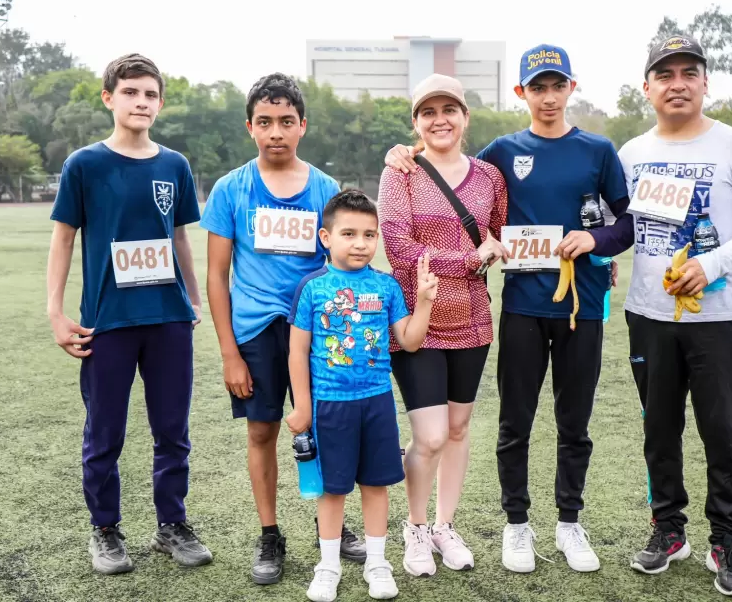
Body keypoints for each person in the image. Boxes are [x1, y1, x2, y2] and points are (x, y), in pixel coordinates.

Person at [385, 45, 632, 574]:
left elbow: (624, 223)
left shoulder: (598, 150)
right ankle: (516, 526)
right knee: (513, 423)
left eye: (556, 85)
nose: (547, 96)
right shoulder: (501, 153)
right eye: (536, 87)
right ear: (520, 92)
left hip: (581, 306)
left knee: (575, 422)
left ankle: (569, 523)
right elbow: (458, 193)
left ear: (571, 87)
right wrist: (399, 152)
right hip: (519, 307)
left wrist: (595, 243)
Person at [618, 36, 732, 597]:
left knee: (723, 434)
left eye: (689, 72)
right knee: (658, 430)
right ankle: (668, 530)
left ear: (705, 82)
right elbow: (613, 226)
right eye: (665, 74)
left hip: (719, 320)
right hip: (649, 316)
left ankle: (726, 539)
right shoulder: (630, 154)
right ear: (647, 88)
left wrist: (713, 264)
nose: (678, 82)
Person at [46, 53, 212, 575]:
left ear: (160, 103)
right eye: (131, 92)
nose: (142, 102)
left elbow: (180, 235)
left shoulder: (174, 165)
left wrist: (194, 297)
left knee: (172, 429)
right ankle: (105, 530)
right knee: (105, 433)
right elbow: (64, 237)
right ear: (109, 97)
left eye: (150, 95)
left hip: (166, 318)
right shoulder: (85, 164)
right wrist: (55, 311)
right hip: (107, 322)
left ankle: (172, 525)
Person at [199, 73, 365, 585]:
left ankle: (329, 525)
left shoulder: (324, 189)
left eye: (286, 122)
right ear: (250, 126)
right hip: (255, 330)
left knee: (323, 427)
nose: (276, 132)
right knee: (262, 429)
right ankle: (270, 533)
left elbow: (339, 263)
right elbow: (216, 275)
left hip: (315, 331)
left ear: (302, 126)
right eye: (265, 122)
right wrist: (229, 351)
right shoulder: (231, 188)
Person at [377, 73, 509, 577]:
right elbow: (401, 250)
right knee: (428, 436)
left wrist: (492, 250)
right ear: (416, 122)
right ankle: (413, 528)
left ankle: (444, 526)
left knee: (456, 430)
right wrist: (469, 259)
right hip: (417, 319)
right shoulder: (402, 172)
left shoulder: (490, 177)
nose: (440, 120)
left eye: (449, 110)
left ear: (464, 117)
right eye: (428, 112)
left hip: (473, 320)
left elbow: (499, 234)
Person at [286, 189, 438, 602]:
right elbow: (297, 350)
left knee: (375, 485)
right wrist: (301, 406)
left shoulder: (386, 286)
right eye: (349, 233)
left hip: (376, 402)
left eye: (369, 235)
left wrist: (423, 302)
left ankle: (377, 562)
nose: (360, 243)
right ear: (326, 237)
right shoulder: (312, 287)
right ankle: (328, 566)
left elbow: (408, 340)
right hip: (328, 405)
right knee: (332, 490)